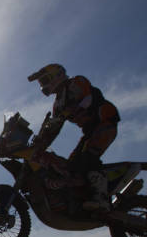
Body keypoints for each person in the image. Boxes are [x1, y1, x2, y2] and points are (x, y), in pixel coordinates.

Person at [26, 64, 121, 212]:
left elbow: (89, 98)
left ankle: (101, 199)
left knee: (88, 158)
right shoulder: (58, 104)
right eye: (41, 83)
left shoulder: (76, 83)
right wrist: (40, 143)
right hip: (89, 132)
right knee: (71, 166)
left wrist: (72, 110)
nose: (43, 85)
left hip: (105, 124)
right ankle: (84, 197)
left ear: (56, 76)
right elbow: (54, 129)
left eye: (44, 80)